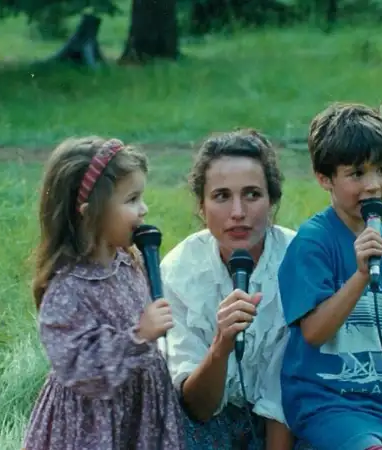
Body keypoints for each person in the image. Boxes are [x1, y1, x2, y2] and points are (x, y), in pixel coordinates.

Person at [278, 103, 382, 450]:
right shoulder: (312, 242)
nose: (373, 186)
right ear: (325, 179)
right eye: (356, 174)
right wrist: (360, 276)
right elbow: (313, 333)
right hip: (325, 402)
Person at [23, 137, 185, 450]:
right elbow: (80, 368)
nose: (144, 209)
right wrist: (139, 335)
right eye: (132, 199)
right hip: (93, 423)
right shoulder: (67, 288)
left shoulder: (128, 261)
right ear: (89, 213)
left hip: (142, 410)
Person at [160, 129, 298, 450]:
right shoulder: (178, 272)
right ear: (201, 206)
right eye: (222, 196)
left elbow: (290, 380)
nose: (238, 212)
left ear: (272, 200)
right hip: (208, 424)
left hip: (289, 420)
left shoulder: (300, 259)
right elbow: (196, 407)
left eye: (252, 194)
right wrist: (221, 345)